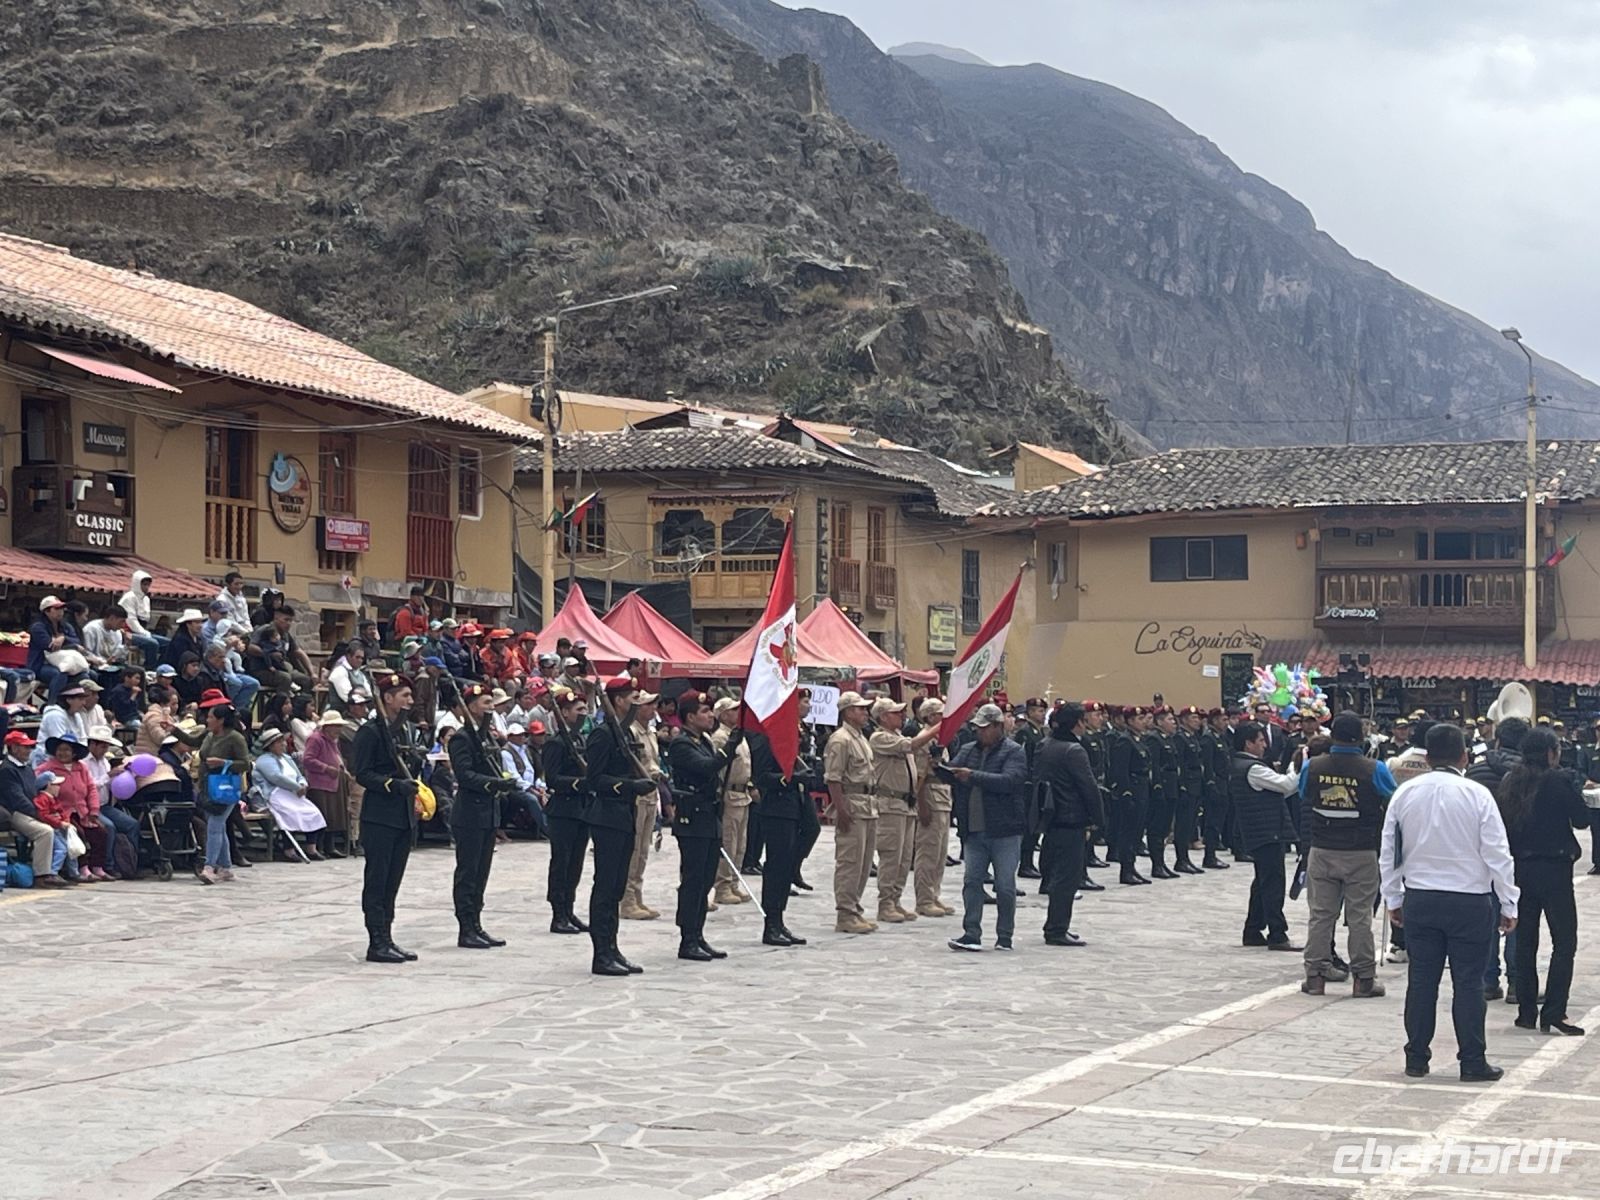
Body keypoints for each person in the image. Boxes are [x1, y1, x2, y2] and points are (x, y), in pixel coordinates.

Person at [1382, 722, 1518, 1081]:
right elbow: (1498, 853)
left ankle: (1416, 1058)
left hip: (1421, 898)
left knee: (1421, 980)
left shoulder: (1405, 794)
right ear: (1464, 756)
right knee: (1469, 983)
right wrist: (1508, 902)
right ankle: (1472, 1061)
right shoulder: (1477, 795)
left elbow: (1390, 852)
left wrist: (1393, 897)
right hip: (1470, 900)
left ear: (1427, 757)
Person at [1495, 728, 1587, 1035]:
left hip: (1520, 869)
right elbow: (1582, 819)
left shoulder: (1510, 781)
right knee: (1564, 941)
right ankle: (1554, 1011)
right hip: (1555, 869)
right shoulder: (1557, 780)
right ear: (1549, 753)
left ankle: (1526, 1011)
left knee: (1525, 942)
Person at [1299, 711, 1394, 997]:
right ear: (1361, 738)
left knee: (1320, 915)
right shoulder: (1375, 768)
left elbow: (1303, 793)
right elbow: (1393, 799)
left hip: (1322, 848)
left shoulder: (1313, 766)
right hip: (1361, 850)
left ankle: (1315, 976)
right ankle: (1363, 979)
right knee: (1360, 917)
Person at [349, 672, 426, 963]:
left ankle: (387, 935)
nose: (410, 701)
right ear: (388, 698)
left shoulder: (402, 730)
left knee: (393, 881)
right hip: (380, 816)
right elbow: (363, 773)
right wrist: (393, 785)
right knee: (378, 880)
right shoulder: (371, 732)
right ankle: (376, 941)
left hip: (402, 815)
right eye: (404, 696)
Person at [584, 676, 657, 976]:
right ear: (617, 701)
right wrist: (628, 786)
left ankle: (612, 947)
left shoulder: (623, 733)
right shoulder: (603, 735)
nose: (636, 703)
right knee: (605, 886)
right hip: (607, 817)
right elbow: (595, 779)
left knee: (616, 887)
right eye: (631, 698)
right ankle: (601, 953)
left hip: (625, 814)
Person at [945, 703, 1028, 952]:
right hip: (974, 829)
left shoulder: (1014, 751)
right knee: (972, 882)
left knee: (1004, 885)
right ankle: (971, 932)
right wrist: (939, 767)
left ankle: (1005, 936)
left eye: (985, 728)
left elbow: (1010, 781)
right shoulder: (968, 749)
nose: (980, 732)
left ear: (997, 727)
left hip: (1004, 829)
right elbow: (952, 772)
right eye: (978, 728)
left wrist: (973, 776)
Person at [668, 691, 742, 962]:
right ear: (690, 717)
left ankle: (698, 934)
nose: (710, 716)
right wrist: (730, 746)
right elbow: (706, 768)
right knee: (693, 880)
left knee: (706, 879)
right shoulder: (681, 744)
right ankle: (687, 938)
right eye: (704, 712)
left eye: (711, 711)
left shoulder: (704, 741)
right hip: (693, 818)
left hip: (709, 817)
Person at [1466, 716, 1530, 1002]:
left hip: (1481, 855)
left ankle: (1488, 980)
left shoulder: (1475, 772)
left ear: (1498, 740)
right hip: (1520, 854)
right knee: (1516, 916)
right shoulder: (1531, 774)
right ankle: (1517, 983)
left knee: (1487, 918)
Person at [1036, 702, 1106, 947]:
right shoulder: (1073, 750)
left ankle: (1054, 925)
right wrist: (1098, 819)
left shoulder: (1045, 744)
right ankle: (1057, 928)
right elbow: (1088, 787)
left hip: (1050, 816)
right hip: (1071, 817)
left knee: (1056, 873)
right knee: (1067, 878)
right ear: (1077, 723)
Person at [448, 683, 512, 949]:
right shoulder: (462, 738)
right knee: (468, 872)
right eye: (486, 703)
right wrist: (494, 783)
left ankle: (476, 923)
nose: (490, 708)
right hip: (470, 812)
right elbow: (464, 775)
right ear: (471, 706)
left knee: (481, 873)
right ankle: (466, 927)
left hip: (488, 812)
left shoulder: (485, 737)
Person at [868, 696, 942, 924]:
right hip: (890, 803)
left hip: (905, 804)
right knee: (891, 856)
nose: (901, 716)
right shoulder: (880, 737)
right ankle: (885, 903)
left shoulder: (897, 735)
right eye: (895, 712)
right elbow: (910, 745)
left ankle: (895, 899)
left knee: (904, 857)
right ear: (883, 717)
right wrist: (939, 727)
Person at [1230, 720, 1303, 951]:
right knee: (1273, 883)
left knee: (1262, 882)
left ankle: (1253, 929)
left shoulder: (1240, 764)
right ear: (1248, 743)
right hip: (1266, 831)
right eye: (1260, 741)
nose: (1264, 745)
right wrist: (1299, 766)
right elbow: (1286, 785)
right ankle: (1277, 933)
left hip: (1259, 830)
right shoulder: (1253, 768)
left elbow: (1280, 788)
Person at [749, 722, 808, 947]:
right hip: (775, 809)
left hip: (792, 808)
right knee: (776, 868)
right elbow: (762, 776)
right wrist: (788, 778)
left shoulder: (785, 741)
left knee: (785, 868)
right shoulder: (766, 740)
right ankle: (771, 924)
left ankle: (779, 920)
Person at [825, 691, 878, 934]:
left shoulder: (860, 738)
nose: (865, 712)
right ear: (847, 712)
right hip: (852, 804)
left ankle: (854, 908)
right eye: (860, 708)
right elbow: (833, 778)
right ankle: (845, 913)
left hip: (868, 805)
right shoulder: (841, 739)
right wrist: (841, 809)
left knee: (864, 863)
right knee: (850, 862)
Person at [543, 687, 592, 936]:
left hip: (581, 809)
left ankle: (569, 909)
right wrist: (580, 783)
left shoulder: (580, 740)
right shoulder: (556, 743)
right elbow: (552, 779)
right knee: (561, 863)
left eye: (585, 709)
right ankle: (558, 914)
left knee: (575, 864)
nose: (584, 713)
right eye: (578, 709)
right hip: (563, 809)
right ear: (564, 712)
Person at [0, 731, 70, 886]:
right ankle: (42, 874)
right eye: (25, 747)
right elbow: (17, 799)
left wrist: (45, 811)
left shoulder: (27, 769)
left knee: (58, 827)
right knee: (45, 831)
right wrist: (39, 814)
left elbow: (34, 794)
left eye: (29, 747)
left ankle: (58, 870)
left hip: (30, 810)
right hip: (14, 813)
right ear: (14, 748)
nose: (29, 751)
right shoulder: (7, 770)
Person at [621, 690, 667, 921]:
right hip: (638, 795)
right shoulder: (630, 731)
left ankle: (636, 896)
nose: (652, 708)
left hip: (651, 794)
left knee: (643, 851)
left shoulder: (650, 732)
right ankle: (627, 900)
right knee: (634, 850)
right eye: (648, 704)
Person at [253, 726, 327, 860]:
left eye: (283, 741)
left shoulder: (286, 758)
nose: (283, 744)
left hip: (294, 794)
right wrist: (296, 787)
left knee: (313, 813)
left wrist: (303, 784)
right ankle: (289, 850)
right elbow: (276, 777)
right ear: (270, 746)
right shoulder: (264, 760)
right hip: (276, 794)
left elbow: (299, 775)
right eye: (279, 742)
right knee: (291, 814)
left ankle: (311, 848)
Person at [911, 697, 956, 917]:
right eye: (940, 714)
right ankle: (924, 898)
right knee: (928, 851)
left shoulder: (939, 740)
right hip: (930, 795)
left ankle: (933, 893)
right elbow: (919, 776)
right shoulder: (924, 740)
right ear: (929, 717)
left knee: (940, 852)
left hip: (943, 796)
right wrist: (922, 805)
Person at [711, 696, 757, 908]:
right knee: (728, 842)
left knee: (740, 844)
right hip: (728, 794)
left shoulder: (739, 736)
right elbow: (718, 768)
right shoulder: (721, 738)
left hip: (743, 794)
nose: (737, 713)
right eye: (732, 710)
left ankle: (734, 882)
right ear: (722, 714)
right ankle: (722, 885)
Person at [198, 696, 249, 884]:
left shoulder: (235, 738)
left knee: (214, 826)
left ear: (221, 720)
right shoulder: (209, 735)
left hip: (226, 788)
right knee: (218, 826)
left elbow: (246, 764)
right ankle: (225, 867)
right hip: (208, 786)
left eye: (211, 717)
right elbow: (193, 741)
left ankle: (209, 865)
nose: (207, 720)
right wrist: (174, 730)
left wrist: (224, 763)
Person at [1107, 706, 1154, 885]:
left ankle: (1132, 867)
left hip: (1142, 788)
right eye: (1139, 719)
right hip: (1132, 789)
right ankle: (1126, 869)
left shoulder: (1139, 739)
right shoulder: (1125, 741)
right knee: (1128, 831)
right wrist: (1125, 792)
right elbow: (1120, 770)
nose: (1143, 722)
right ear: (1130, 721)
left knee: (1137, 831)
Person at [304, 709, 352, 858]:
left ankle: (329, 847)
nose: (339, 729)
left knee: (332, 816)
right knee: (321, 815)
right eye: (336, 726)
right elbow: (307, 759)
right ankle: (316, 847)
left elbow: (337, 758)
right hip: (319, 783)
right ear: (327, 726)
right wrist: (325, 768)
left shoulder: (333, 741)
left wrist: (344, 770)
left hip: (334, 782)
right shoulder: (316, 739)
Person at [1013, 697, 1048, 880]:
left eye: (1043, 711)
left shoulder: (1040, 732)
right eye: (1039, 711)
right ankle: (1025, 863)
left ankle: (1029, 862)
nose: (1042, 714)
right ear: (1030, 712)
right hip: (1028, 784)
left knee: (1035, 825)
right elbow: (1022, 758)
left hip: (1038, 783)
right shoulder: (1025, 732)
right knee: (1028, 825)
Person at [28, 595, 85, 703]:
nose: (61, 611)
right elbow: (50, 646)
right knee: (59, 674)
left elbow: (77, 641)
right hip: (41, 665)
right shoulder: (38, 627)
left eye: (62, 608)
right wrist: (73, 646)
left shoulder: (66, 626)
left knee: (85, 675)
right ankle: (52, 705)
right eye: (57, 608)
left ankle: (75, 705)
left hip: (66, 663)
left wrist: (63, 639)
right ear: (46, 611)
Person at [248, 607, 314, 694]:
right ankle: (282, 701)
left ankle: (301, 701)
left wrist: (312, 673)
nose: (289, 623)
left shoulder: (286, 635)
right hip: (262, 669)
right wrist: (269, 654)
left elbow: (299, 652)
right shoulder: (265, 630)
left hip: (282, 668)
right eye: (286, 620)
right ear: (276, 618)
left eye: (291, 620)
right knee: (285, 678)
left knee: (305, 680)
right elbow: (251, 648)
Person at [118, 570, 167, 666]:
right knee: (152, 644)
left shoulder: (146, 599)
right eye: (144, 584)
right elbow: (131, 620)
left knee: (168, 643)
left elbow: (146, 618)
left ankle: (159, 665)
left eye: (148, 585)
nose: (146, 587)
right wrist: (143, 633)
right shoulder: (129, 598)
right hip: (128, 632)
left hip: (143, 632)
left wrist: (145, 632)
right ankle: (150, 667)